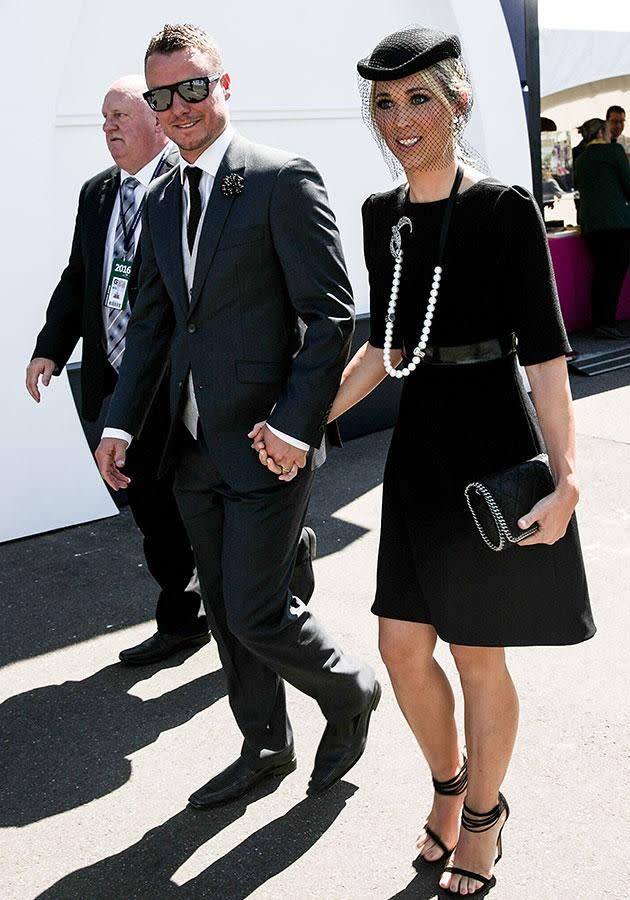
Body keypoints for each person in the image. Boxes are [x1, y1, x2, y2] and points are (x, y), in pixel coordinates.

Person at [324, 27, 595, 899]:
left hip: (491, 443)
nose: (400, 119)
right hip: (418, 451)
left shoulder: (504, 208)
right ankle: (450, 786)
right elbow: (384, 347)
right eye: (384, 104)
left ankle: (484, 816)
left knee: (479, 653)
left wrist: (566, 479)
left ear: (459, 100)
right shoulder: (382, 216)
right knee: (402, 646)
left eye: (419, 99)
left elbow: (547, 360)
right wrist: (305, 423)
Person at [95, 24, 379, 807]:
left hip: (267, 444)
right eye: (163, 94)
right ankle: (265, 745)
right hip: (189, 448)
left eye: (193, 87)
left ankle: (351, 690)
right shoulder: (157, 196)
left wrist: (296, 424)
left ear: (224, 87)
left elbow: (330, 317)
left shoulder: (281, 180)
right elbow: (154, 323)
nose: (178, 106)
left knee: (257, 610)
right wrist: (119, 424)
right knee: (225, 613)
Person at [26, 76, 208, 665]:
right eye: (104, 117)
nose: (108, 127)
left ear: (157, 122)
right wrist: (51, 347)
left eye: (120, 115)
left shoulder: (187, 187)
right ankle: (182, 619)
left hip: (179, 382)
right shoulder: (97, 193)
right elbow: (80, 274)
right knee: (152, 508)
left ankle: (281, 575)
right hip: (117, 382)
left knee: (208, 501)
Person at [574, 117, 630, 340]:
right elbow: (628, 184)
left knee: (601, 272)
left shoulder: (581, 158)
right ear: (600, 133)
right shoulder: (614, 151)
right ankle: (607, 321)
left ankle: (600, 320)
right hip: (616, 223)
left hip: (591, 224)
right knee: (614, 273)